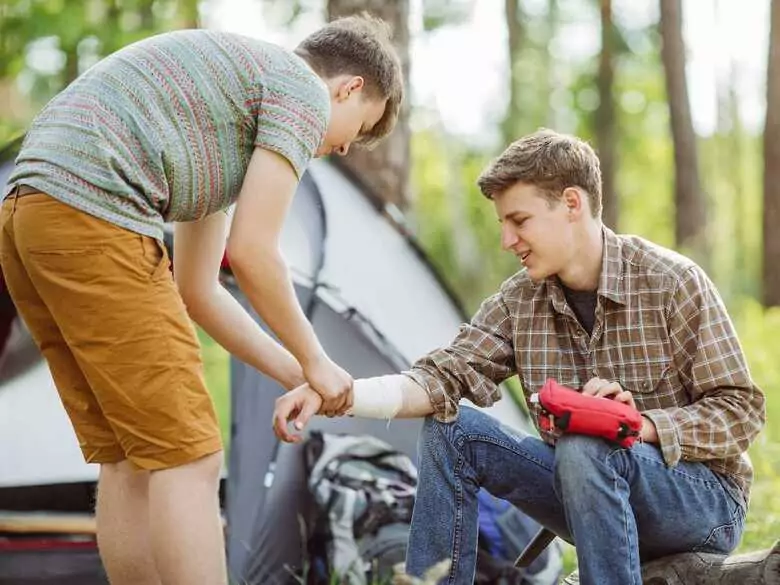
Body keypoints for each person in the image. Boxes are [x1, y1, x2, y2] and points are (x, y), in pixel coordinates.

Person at [0, 14, 402, 585]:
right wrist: (318, 359)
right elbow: (256, 254)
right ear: (348, 88)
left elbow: (200, 291)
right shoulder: (301, 88)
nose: (342, 148)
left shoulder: (218, 125)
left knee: (132, 457)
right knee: (190, 455)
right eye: (357, 129)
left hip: (31, 214)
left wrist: (299, 375)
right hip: (94, 211)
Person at [273, 129, 766, 585]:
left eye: (519, 220)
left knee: (584, 444)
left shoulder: (672, 280)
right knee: (453, 431)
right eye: (503, 224)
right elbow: (442, 376)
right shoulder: (519, 301)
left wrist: (637, 424)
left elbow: (741, 411)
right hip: (585, 494)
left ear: (572, 203)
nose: (508, 240)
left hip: (700, 503)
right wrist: (341, 393)